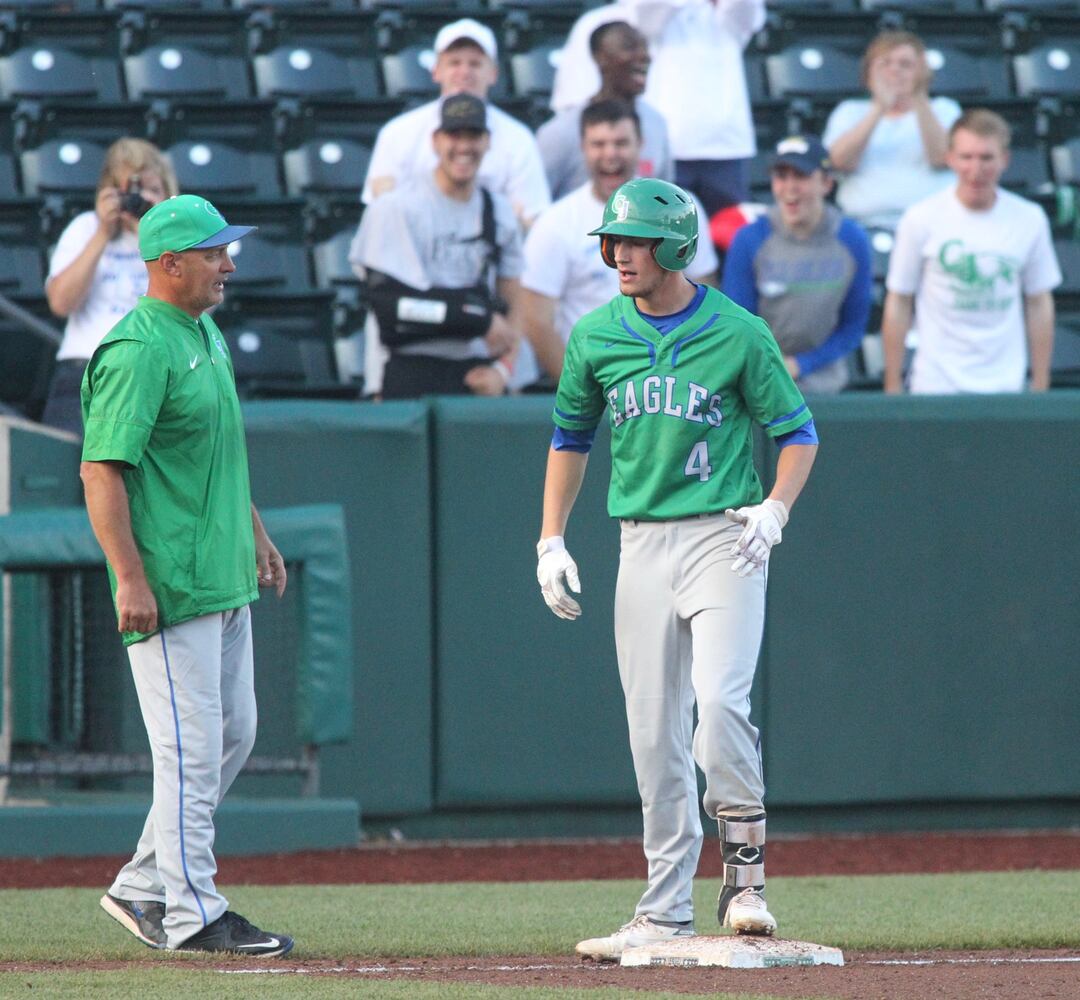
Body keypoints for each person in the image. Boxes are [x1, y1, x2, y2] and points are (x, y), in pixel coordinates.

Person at [535, 178, 818, 960]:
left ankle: (746, 877)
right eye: (613, 240)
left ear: (674, 247)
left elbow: (798, 432)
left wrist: (776, 508)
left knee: (720, 707)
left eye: (634, 241)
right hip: (639, 543)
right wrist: (550, 539)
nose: (619, 253)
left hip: (725, 538)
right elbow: (569, 439)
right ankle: (662, 908)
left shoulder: (737, 330)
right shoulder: (596, 335)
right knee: (653, 732)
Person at [82, 194, 294, 957]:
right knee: (191, 751)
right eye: (213, 253)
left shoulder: (201, 329)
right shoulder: (140, 347)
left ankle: (144, 883)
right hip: (170, 582)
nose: (228, 264)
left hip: (222, 569)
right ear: (168, 263)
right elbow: (101, 471)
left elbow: (217, 452)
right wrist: (128, 578)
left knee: (234, 734)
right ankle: (193, 911)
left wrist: (257, 534)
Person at [521, 100, 716, 383]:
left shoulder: (681, 209)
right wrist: (580, 391)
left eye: (621, 143)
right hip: (598, 377)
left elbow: (705, 294)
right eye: (598, 144)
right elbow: (536, 320)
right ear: (583, 149)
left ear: (641, 144)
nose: (610, 154)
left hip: (677, 377)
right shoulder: (556, 222)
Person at [350, 94, 525, 399]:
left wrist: (503, 370)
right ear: (435, 140)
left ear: (488, 142)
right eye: (454, 135)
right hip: (408, 367)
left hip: (473, 371)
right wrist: (475, 317)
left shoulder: (498, 211)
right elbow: (391, 306)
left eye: (474, 135)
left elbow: (515, 302)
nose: (464, 147)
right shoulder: (396, 207)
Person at [882, 109, 1061, 394]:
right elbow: (899, 300)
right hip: (934, 386)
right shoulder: (920, 218)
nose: (976, 169)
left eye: (986, 157)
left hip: (1006, 387)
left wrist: (1040, 384)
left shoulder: (1030, 218)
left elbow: (1039, 301)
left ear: (1005, 159)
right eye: (967, 157)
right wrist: (892, 385)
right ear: (950, 158)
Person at [549, 0, 766, 217]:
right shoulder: (618, 21)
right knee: (658, 228)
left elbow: (746, 13)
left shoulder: (722, 15)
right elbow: (645, 13)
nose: (642, 55)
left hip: (725, 149)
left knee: (726, 237)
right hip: (668, 144)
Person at [41, 138, 177, 435]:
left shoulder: (177, 238)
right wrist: (103, 233)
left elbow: (195, 303)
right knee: (73, 473)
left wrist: (154, 232)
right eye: (133, 191)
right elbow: (61, 303)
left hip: (153, 374)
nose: (142, 199)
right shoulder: (86, 228)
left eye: (153, 191)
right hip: (89, 371)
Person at [362, 17, 550, 229]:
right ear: (436, 71)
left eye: (475, 64)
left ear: (494, 73)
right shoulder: (397, 133)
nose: (464, 73)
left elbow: (531, 219)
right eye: (454, 63)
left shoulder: (518, 138)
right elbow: (379, 215)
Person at [722, 135, 872, 394]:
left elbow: (853, 326)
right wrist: (772, 365)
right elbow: (737, 323)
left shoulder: (852, 240)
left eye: (800, 176)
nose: (789, 187)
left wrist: (803, 364)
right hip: (759, 383)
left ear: (826, 183)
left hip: (826, 385)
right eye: (781, 176)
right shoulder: (750, 239)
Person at [823, 31, 961, 231]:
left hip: (932, 226)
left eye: (906, 64)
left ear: (922, 72)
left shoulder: (944, 109)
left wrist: (919, 97)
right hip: (865, 225)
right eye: (885, 64)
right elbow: (838, 163)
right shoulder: (849, 111)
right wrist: (880, 108)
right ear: (869, 72)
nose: (895, 70)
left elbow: (942, 157)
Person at [536, 21, 671, 200]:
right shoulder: (560, 133)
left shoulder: (656, 123)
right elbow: (537, 203)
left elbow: (665, 200)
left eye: (645, 48)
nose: (644, 56)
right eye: (629, 47)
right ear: (601, 58)